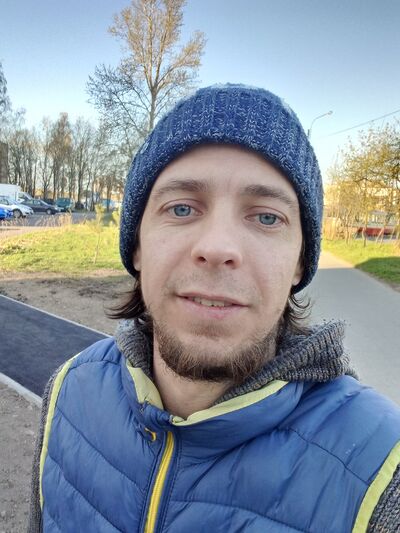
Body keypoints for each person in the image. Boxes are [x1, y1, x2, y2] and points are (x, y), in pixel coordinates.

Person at [29, 84, 400, 532]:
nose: (218, 247)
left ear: (301, 262)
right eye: (181, 208)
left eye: (267, 217)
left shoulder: (384, 474)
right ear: (137, 245)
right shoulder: (68, 390)